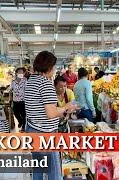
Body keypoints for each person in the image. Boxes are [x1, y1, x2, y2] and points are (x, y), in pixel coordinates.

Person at [24, 51, 77, 180]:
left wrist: (62, 110)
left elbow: (39, 108)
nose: (54, 70)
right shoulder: (46, 83)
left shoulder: (30, 81)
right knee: (54, 172)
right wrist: (66, 108)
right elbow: (51, 113)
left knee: (38, 168)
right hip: (45, 134)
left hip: (31, 129)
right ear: (48, 67)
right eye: (53, 67)